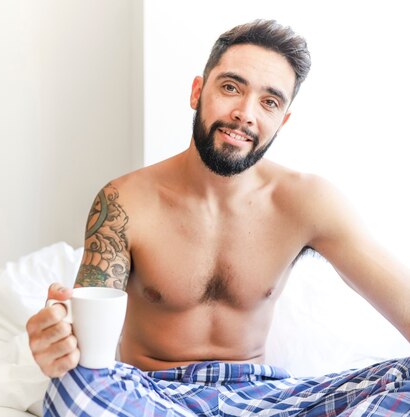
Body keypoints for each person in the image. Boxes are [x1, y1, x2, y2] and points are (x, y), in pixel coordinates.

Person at [26, 19, 410, 416]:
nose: (245, 113)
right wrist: (57, 340)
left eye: (269, 102)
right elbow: (86, 335)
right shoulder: (124, 201)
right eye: (231, 88)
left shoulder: (307, 201)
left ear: (283, 120)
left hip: (267, 401)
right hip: (152, 397)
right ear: (198, 91)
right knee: (73, 384)